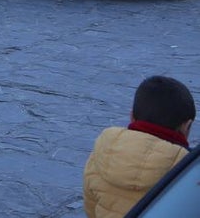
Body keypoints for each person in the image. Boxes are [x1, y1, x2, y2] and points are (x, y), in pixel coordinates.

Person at [83, 75, 194, 218]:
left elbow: (91, 209)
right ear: (187, 126)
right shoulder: (188, 171)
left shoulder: (102, 151)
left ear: (131, 117)